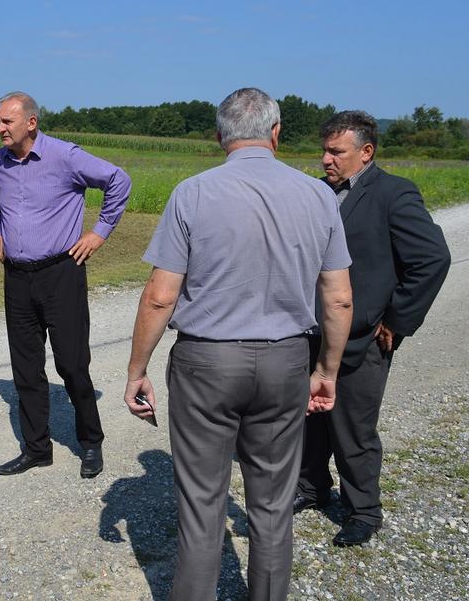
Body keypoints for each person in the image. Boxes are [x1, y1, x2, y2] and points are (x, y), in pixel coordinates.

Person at [124, 88, 354, 600]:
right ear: (276, 133)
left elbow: (161, 296)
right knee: (272, 506)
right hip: (286, 359)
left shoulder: (192, 193)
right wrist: (327, 370)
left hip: (206, 362)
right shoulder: (318, 195)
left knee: (202, 504)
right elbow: (338, 299)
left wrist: (137, 369)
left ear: (218, 136)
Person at [294, 111, 450, 546]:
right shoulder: (318, 193)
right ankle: (311, 487)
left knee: (353, 428)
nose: (325, 159)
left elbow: (432, 259)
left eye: (335, 152)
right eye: (324, 151)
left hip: (361, 337)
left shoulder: (393, 193)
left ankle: (363, 510)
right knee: (309, 419)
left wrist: (397, 319)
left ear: (366, 152)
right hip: (312, 329)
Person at [0, 91, 131, 479]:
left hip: (61, 273)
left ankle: (91, 442)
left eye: (7, 121)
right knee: (25, 368)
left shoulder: (65, 156)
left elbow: (118, 180)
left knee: (72, 363)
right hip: (17, 277)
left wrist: (99, 233)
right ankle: (36, 448)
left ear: (31, 122)